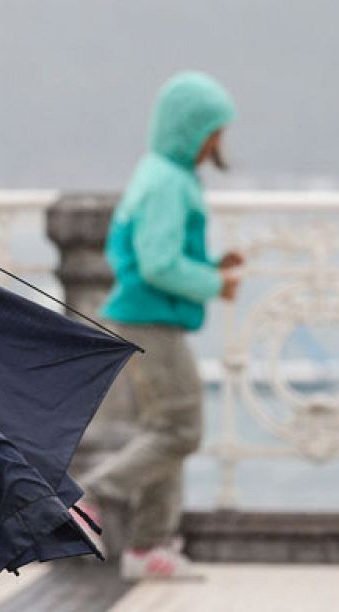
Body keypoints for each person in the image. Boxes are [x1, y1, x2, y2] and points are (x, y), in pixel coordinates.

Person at [79, 71, 243, 581]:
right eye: (213, 130)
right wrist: (215, 283)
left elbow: (159, 255)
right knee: (180, 429)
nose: (218, 142)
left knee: (165, 429)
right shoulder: (170, 182)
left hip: (148, 317)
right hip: (150, 320)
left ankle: (148, 549)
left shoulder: (160, 173)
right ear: (191, 131)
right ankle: (95, 495)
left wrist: (212, 267)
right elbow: (158, 263)